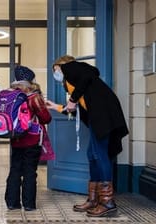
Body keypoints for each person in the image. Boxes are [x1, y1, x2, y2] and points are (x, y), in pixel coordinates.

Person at [46, 55, 129, 217]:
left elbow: (90, 73)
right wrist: (56, 106)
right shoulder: (75, 85)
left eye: (56, 69)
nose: (56, 73)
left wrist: (72, 99)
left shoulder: (73, 68)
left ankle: (107, 202)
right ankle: (94, 199)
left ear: (63, 65)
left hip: (104, 116)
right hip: (99, 117)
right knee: (93, 154)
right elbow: (77, 109)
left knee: (99, 154)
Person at [5, 65, 52, 211]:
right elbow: (46, 118)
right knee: (30, 171)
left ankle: (12, 203)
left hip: (16, 138)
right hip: (32, 139)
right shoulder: (34, 97)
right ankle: (29, 204)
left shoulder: (10, 95)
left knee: (15, 170)